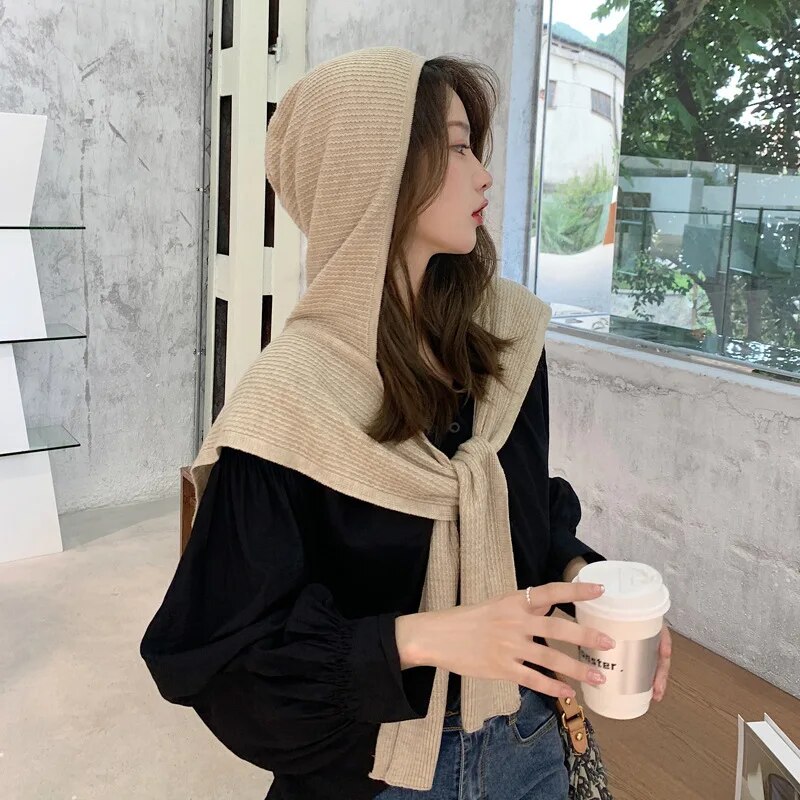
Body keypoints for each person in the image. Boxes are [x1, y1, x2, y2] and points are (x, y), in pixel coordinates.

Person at [140, 47, 618, 800]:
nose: (483, 175)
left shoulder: (506, 344)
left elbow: (523, 516)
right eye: (457, 148)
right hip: (376, 774)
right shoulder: (291, 404)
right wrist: (421, 637)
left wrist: (584, 579)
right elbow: (225, 663)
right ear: (377, 173)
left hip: (530, 744)